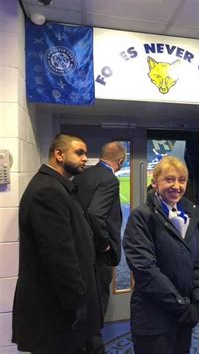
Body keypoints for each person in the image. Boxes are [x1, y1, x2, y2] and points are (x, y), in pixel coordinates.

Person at [12, 133, 101, 354]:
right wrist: (78, 304)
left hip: (62, 311)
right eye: (79, 152)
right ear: (59, 154)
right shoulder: (47, 191)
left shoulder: (58, 187)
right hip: (56, 313)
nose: (85, 158)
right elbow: (59, 257)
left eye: (86, 154)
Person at [123, 156, 199, 354]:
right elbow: (145, 270)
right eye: (169, 179)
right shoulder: (141, 217)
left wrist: (198, 301)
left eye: (182, 180)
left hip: (185, 316)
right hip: (153, 319)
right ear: (154, 182)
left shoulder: (189, 214)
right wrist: (181, 305)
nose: (176, 186)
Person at [73, 141, 126, 353]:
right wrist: (104, 243)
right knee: (97, 307)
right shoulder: (109, 180)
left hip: (81, 252)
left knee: (86, 305)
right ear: (121, 161)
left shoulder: (81, 175)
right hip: (99, 255)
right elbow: (96, 214)